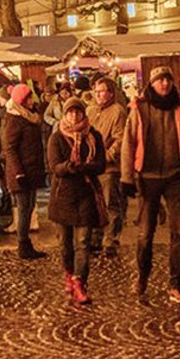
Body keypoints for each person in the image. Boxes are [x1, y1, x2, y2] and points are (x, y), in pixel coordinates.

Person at [124, 65, 180, 304]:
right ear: (152, 84)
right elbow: (129, 143)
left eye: (167, 79)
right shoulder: (140, 108)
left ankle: (177, 283)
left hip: (176, 176)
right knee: (145, 234)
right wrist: (127, 177)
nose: (164, 84)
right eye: (160, 80)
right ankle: (142, 275)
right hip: (147, 177)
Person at [47, 97, 107, 304]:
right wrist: (69, 167)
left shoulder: (94, 136)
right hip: (62, 196)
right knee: (65, 245)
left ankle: (80, 282)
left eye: (77, 111)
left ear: (83, 113)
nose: (74, 115)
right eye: (70, 112)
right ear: (65, 114)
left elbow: (100, 164)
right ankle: (69, 274)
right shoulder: (56, 138)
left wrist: (83, 168)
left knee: (83, 243)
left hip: (85, 195)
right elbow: (54, 166)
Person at [0, 83, 48, 259]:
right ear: (21, 100)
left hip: (32, 169)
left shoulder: (30, 116)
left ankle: (26, 244)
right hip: (21, 173)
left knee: (28, 208)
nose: (31, 100)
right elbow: (10, 149)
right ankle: (23, 244)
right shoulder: (14, 119)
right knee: (23, 208)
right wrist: (18, 172)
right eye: (28, 97)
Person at [85, 76, 128, 256]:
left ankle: (110, 240)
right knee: (94, 204)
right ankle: (95, 238)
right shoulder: (90, 110)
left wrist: (107, 156)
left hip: (109, 167)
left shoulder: (117, 111)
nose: (99, 94)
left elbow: (120, 138)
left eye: (102, 91)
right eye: (97, 91)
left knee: (111, 204)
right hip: (91, 166)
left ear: (110, 92)